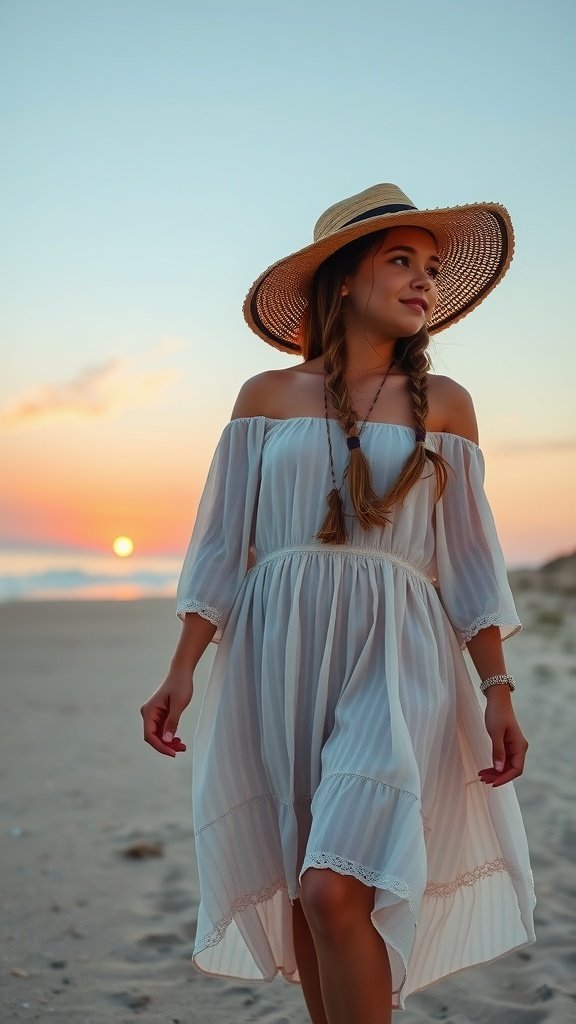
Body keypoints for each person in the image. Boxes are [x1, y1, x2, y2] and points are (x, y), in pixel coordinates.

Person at [140, 182, 537, 1023]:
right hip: (273, 658)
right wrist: (180, 671)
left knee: (332, 888)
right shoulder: (264, 399)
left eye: (431, 267)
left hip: (398, 662)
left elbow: (469, 564)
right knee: (302, 888)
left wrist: (498, 690)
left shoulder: (448, 407)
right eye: (401, 260)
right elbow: (220, 549)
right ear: (343, 281)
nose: (424, 280)